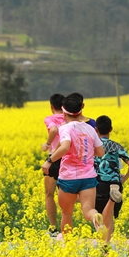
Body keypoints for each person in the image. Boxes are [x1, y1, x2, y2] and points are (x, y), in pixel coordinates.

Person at [41, 94, 105, 239]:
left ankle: (68, 244)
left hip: (69, 177)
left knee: (67, 213)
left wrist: (49, 161)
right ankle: (95, 218)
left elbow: (64, 147)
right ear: (81, 110)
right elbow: (101, 152)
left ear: (64, 112)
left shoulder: (65, 128)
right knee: (89, 210)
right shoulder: (90, 129)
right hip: (88, 176)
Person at [93, 115, 129, 243]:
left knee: (97, 212)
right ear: (111, 129)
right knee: (110, 215)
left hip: (98, 181)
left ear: (96, 130)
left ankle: (101, 241)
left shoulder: (93, 146)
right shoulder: (116, 146)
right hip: (115, 181)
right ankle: (106, 244)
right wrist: (124, 178)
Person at [41, 93, 65, 234]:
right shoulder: (70, 118)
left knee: (49, 194)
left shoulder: (50, 119)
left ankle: (53, 228)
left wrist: (48, 143)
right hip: (70, 158)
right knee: (72, 193)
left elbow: (54, 129)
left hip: (54, 158)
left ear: (51, 106)